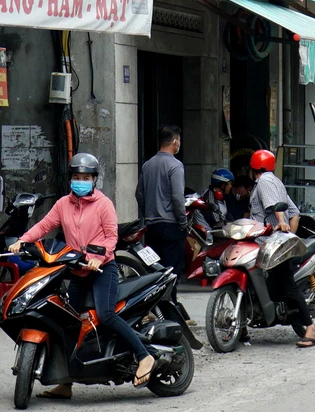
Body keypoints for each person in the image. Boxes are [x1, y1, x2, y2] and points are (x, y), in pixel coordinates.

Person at [10, 153, 156, 398]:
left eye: (85, 177)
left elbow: (111, 237)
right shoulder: (62, 204)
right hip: (77, 271)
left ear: (94, 180)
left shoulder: (103, 204)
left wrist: (99, 257)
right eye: (76, 177)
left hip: (102, 269)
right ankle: (65, 384)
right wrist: (23, 240)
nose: (80, 181)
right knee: (66, 323)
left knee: (106, 314)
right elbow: (44, 226)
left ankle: (145, 356)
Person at [246, 150, 315, 347]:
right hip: (274, 244)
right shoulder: (276, 181)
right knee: (272, 284)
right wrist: (289, 236)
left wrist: (281, 225)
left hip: (270, 245)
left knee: (287, 285)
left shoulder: (264, 182)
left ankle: (310, 327)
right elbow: (294, 213)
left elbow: (276, 208)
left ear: (254, 168)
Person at [136, 125, 186, 301]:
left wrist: (148, 213)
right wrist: (183, 223)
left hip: (151, 227)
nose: (179, 143)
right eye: (179, 140)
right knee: (171, 271)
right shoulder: (175, 166)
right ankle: (170, 310)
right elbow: (178, 198)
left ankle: (153, 309)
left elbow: (139, 194)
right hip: (171, 226)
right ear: (174, 141)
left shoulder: (147, 165)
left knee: (154, 270)